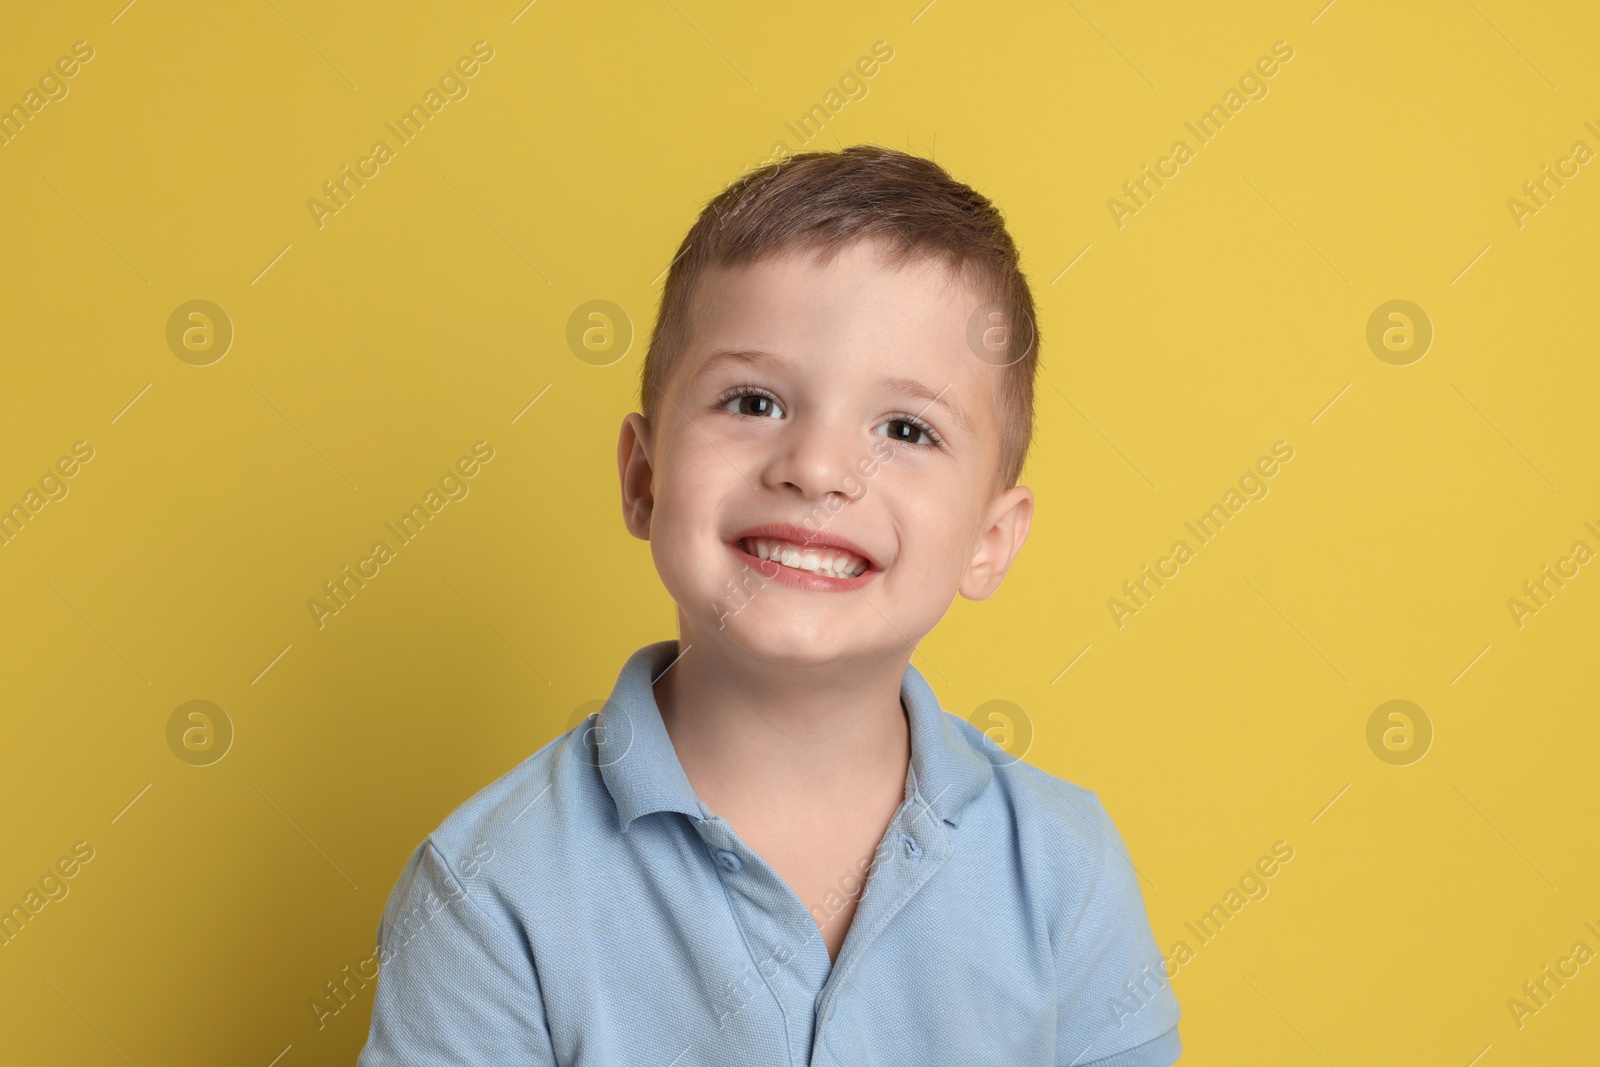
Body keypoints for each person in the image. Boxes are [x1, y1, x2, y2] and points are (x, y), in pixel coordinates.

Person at [357, 144, 1180, 1066]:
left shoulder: (1065, 871)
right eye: (752, 401)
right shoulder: (487, 893)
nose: (819, 468)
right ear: (643, 477)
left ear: (989, 541)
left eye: (906, 428)